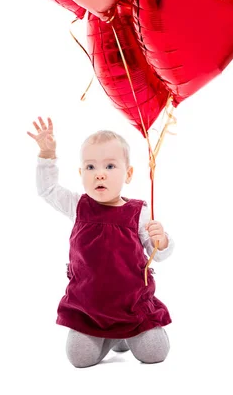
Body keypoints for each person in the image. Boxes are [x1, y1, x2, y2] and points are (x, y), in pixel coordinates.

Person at [27, 116, 175, 367]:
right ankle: (111, 337)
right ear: (81, 173)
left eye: (109, 167)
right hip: (89, 309)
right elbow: (48, 190)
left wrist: (161, 241)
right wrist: (47, 155)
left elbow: (156, 254)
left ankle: (125, 334)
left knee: (154, 353)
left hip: (131, 308)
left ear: (128, 174)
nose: (99, 176)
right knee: (79, 358)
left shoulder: (137, 212)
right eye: (91, 167)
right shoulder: (78, 206)